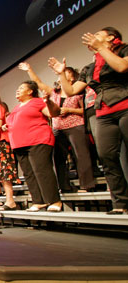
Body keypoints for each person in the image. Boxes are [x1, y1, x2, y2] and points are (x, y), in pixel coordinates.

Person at [48, 27, 128, 214]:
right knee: (108, 158)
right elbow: (70, 91)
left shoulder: (124, 50)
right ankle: (121, 204)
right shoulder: (90, 67)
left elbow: (122, 67)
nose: (92, 38)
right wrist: (61, 73)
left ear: (111, 37)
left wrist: (102, 48)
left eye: (98, 35)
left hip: (125, 106)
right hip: (103, 113)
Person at [19, 62, 95, 192]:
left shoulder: (79, 92)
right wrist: (29, 69)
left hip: (76, 125)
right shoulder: (54, 92)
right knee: (59, 158)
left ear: (71, 77)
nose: (61, 77)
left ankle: (86, 185)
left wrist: (70, 110)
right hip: (58, 128)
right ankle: (64, 186)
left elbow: (87, 110)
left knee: (81, 156)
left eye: (65, 73)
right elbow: (38, 83)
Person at [6, 80, 62, 212]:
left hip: (37, 140)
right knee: (29, 174)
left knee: (42, 171)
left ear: (30, 91)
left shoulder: (37, 102)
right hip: (19, 144)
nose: (17, 90)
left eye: (21, 88)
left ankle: (54, 200)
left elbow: (52, 113)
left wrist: (48, 101)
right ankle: (38, 201)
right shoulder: (17, 107)